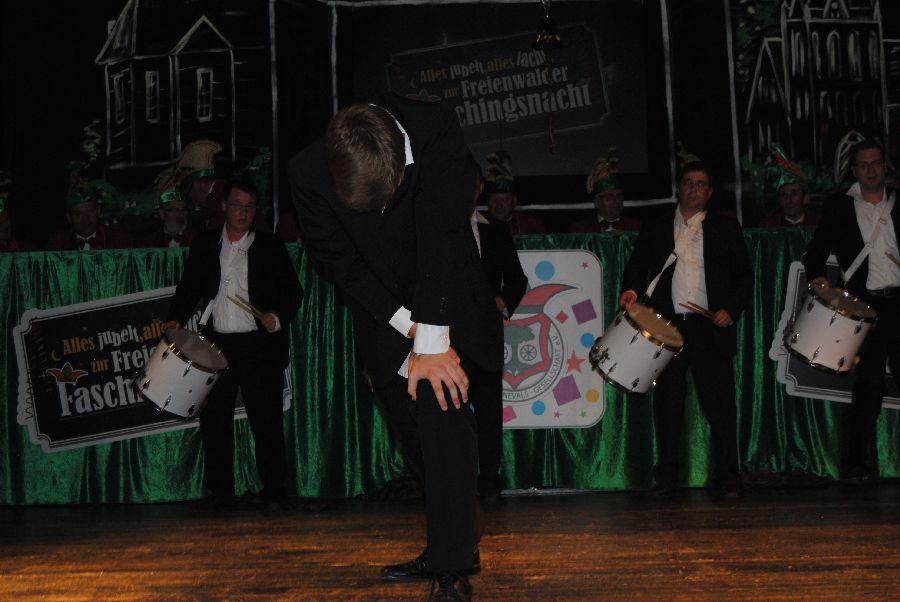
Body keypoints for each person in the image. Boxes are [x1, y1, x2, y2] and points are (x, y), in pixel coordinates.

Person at [290, 98, 502, 601]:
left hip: (446, 290)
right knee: (415, 436)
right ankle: (458, 526)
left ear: (400, 162)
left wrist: (432, 342)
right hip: (383, 308)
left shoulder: (436, 130)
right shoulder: (307, 172)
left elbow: (444, 237)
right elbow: (341, 264)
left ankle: (451, 569)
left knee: (440, 410)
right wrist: (408, 328)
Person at [163, 175, 303, 512]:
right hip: (217, 345)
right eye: (237, 205)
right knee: (215, 422)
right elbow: (189, 288)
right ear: (224, 206)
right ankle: (221, 492)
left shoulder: (270, 246)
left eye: (250, 207)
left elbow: (293, 292)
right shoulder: (206, 244)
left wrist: (276, 316)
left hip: (259, 346)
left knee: (266, 421)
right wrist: (175, 318)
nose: (243, 212)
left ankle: (274, 490)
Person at [619, 160, 752, 497]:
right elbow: (638, 263)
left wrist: (730, 310)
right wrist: (631, 289)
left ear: (710, 192)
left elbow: (744, 277)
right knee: (668, 404)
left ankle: (728, 474)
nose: (694, 188)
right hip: (667, 327)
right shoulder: (658, 225)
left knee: (720, 406)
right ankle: (667, 475)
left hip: (709, 326)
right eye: (689, 182)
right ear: (679, 188)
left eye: (701, 183)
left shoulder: (725, 227)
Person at [803, 139, 900, 482]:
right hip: (866, 306)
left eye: (876, 163)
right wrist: (817, 277)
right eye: (864, 164)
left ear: (884, 166)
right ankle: (856, 465)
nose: (871, 170)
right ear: (855, 170)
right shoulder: (840, 207)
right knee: (869, 387)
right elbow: (816, 249)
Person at [470, 171, 527, 501]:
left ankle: (489, 476)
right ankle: (451, 476)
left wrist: (502, 301)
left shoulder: (496, 230)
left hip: (486, 332)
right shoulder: (442, 227)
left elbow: (517, 279)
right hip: (447, 333)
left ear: (479, 188)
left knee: (488, 405)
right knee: (447, 409)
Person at [568, 148, 640, 233]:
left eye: (619, 196)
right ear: (597, 202)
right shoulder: (579, 229)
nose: (616, 200)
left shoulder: (636, 227)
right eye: (609, 196)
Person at [46, 186, 131, 250]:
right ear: (69, 217)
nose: (85, 219)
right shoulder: (58, 244)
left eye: (90, 211)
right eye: (78, 214)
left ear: (98, 211)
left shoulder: (118, 240)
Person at [484, 150, 546, 235]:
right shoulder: (477, 225)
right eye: (494, 200)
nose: (499, 205)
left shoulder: (531, 224)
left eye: (504, 199)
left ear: (514, 200)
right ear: (488, 201)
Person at [759, 146, 821, 227]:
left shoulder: (818, 223)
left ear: (805, 198)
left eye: (794, 193)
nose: (788, 200)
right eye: (783, 194)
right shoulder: (768, 226)